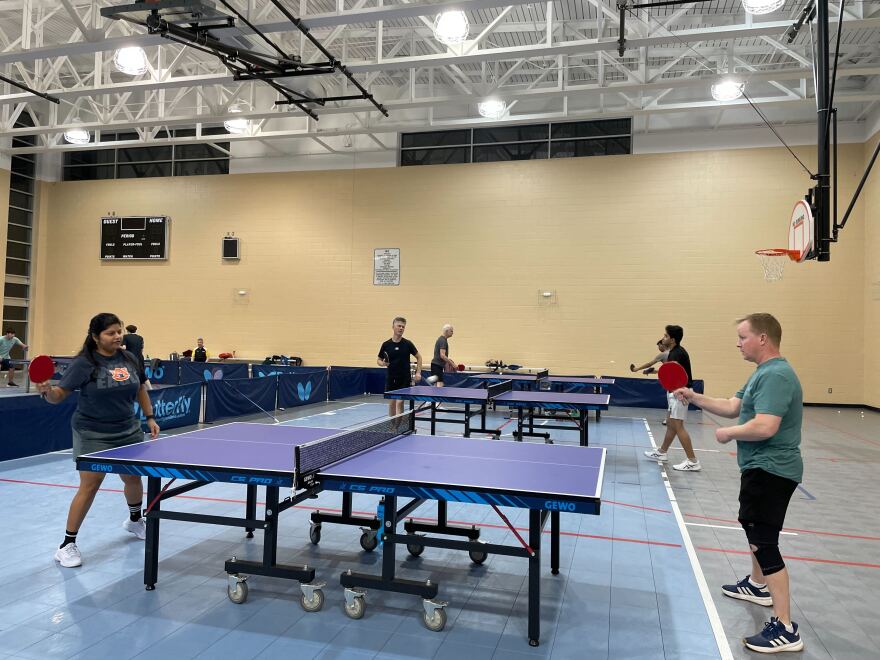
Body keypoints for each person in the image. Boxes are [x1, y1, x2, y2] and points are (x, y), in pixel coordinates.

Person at [675, 313, 804, 653]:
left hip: (772, 469)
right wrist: (694, 396)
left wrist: (726, 434)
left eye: (743, 337)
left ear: (763, 338)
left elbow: (765, 426)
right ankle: (757, 584)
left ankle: (786, 628)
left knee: (763, 539)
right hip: (762, 468)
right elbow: (733, 406)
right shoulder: (762, 373)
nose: (738, 343)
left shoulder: (776, 375)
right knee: (755, 530)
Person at [36, 313, 160, 568]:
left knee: (133, 477)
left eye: (119, 331)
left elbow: (139, 389)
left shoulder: (129, 358)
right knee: (90, 485)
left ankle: (135, 520)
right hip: (93, 432)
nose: (117, 337)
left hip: (127, 428)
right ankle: (67, 545)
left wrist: (149, 417)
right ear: (95, 337)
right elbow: (59, 395)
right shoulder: (85, 362)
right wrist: (47, 391)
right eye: (111, 333)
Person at [643, 325, 701, 471]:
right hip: (675, 393)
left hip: (680, 394)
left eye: (666, 336)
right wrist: (654, 371)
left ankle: (693, 461)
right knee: (670, 424)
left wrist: (681, 393)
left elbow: (679, 376)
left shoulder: (676, 354)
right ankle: (662, 452)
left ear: (673, 339)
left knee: (678, 426)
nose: (663, 338)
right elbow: (671, 371)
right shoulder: (676, 352)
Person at [377, 317, 422, 417]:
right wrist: (383, 364)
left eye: (403, 327)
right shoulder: (386, 344)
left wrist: (418, 372)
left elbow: (419, 357)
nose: (401, 328)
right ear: (393, 327)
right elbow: (378, 360)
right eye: (399, 326)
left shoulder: (408, 344)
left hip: (404, 379)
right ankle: (393, 427)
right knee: (392, 403)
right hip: (391, 378)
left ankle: (398, 427)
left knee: (400, 402)